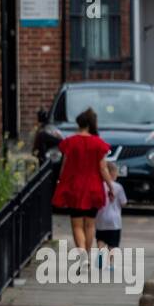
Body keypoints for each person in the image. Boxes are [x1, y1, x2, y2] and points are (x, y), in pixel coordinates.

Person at [52, 106, 114, 251]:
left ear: (79, 124)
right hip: (94, 188)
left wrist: (61, 181)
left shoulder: (70, 142)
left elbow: (64, 166)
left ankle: (81, 254)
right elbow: (103, 168)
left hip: (75, 188)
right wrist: (111, 186)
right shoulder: (98, 143)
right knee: (90, 224)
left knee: (77, 225)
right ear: (91, 124)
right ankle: (86, 252)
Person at [95, 161, 127, 253]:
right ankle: (111, 265)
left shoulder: (99, 186)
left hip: (100, 219)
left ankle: (100, 261)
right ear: (113, 173)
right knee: (112, 246)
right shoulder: (118, 187)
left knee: (100, 241)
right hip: (115, 222)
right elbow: (123, 202)